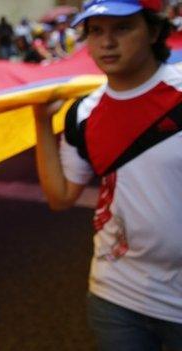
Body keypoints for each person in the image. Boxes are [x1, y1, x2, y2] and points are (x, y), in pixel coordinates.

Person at [33, 1, 182, 350]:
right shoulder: (82, 113)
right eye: (96, 31)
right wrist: (40, 122)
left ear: (155, 30)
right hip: (116, 293)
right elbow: (60, 197)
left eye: (122, 28)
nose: (106, 42)